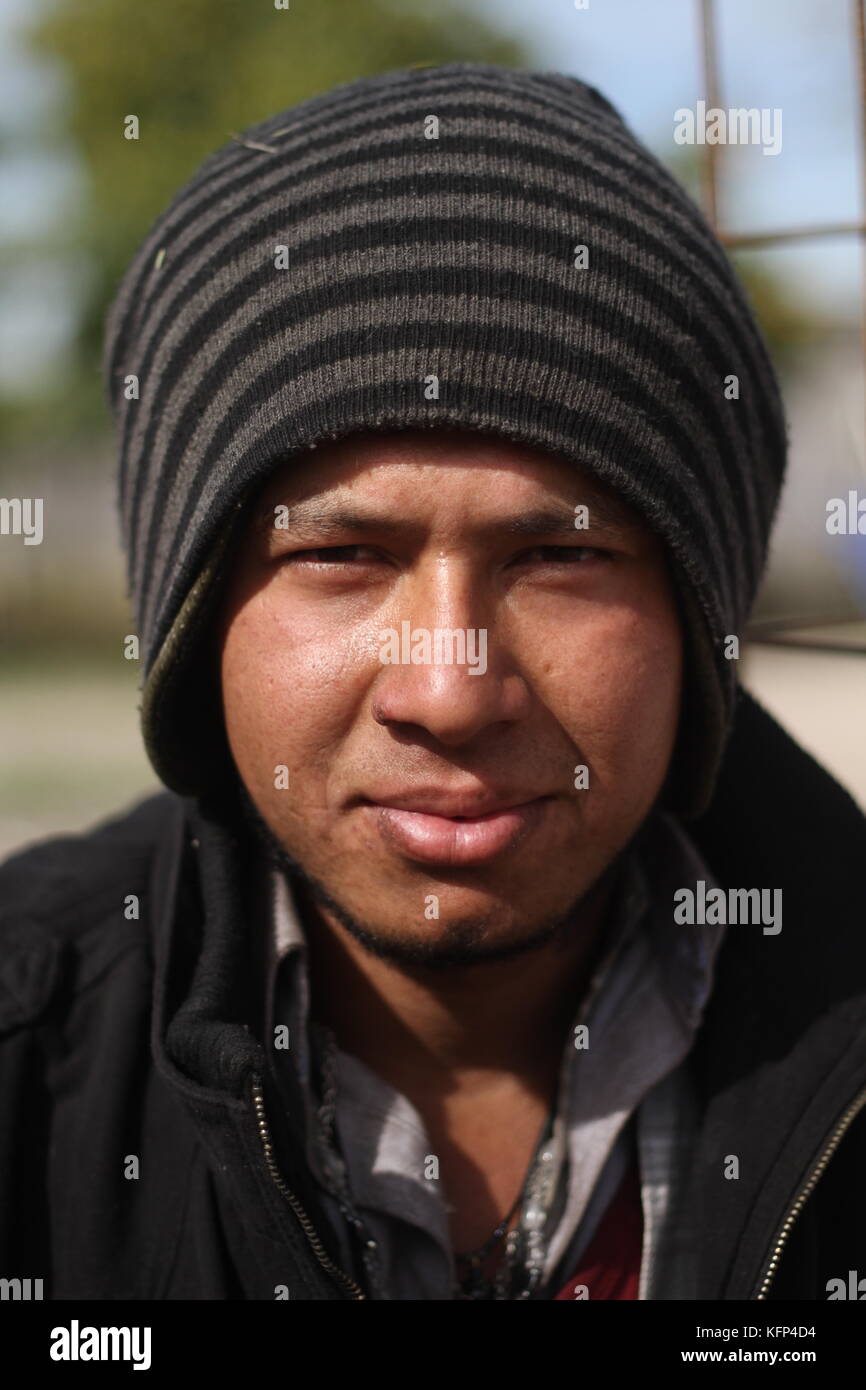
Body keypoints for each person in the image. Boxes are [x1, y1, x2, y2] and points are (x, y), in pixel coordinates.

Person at [1, 62, 864, 1302]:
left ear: (695, 610)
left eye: (560, 556)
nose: (450, 695)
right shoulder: (27, 1051)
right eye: (340, 556)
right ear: (195, 620)